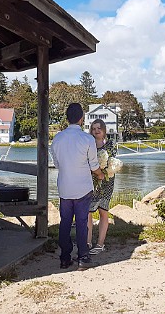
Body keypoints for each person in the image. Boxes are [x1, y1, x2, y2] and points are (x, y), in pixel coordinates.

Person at [51, 103, 105, 270]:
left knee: (65, 222)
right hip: (83, 187)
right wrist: (101, 175)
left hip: (65, 187)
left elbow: (57, 164)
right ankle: (83, 257)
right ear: (82, 119)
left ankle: (65, 258)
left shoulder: (57, 138)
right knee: (82, 222)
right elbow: (94, 165)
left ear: (67, 118)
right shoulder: (87, 139)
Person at [87, 119, 116, 255]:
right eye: (93, 129)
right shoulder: (89, 144)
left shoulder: (110, 145)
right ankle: (87, 241)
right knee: (88, 211)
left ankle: (100, 244)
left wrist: (103, 172)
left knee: (103, 211)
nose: (96, 131)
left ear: (104, 130)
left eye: (99, 128)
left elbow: (113, 161)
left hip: (107, 181)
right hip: (91, 181)